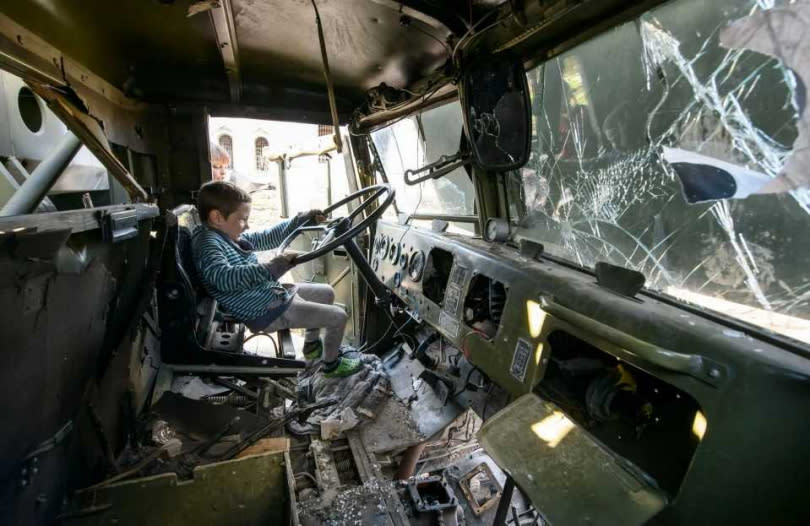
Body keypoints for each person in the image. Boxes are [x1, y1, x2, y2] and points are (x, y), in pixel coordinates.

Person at [191, 180, 363, 377]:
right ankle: (331, 366)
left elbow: (268, 237)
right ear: (217, 217)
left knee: (326, 292)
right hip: (263, 310)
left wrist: (300, 221)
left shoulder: (228, 236)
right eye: (242, 220)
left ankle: (311, 347)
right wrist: (272, 268)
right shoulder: (208, 244)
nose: (246, 226)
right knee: (338, 317)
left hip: (269, 295)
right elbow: (224, 278)